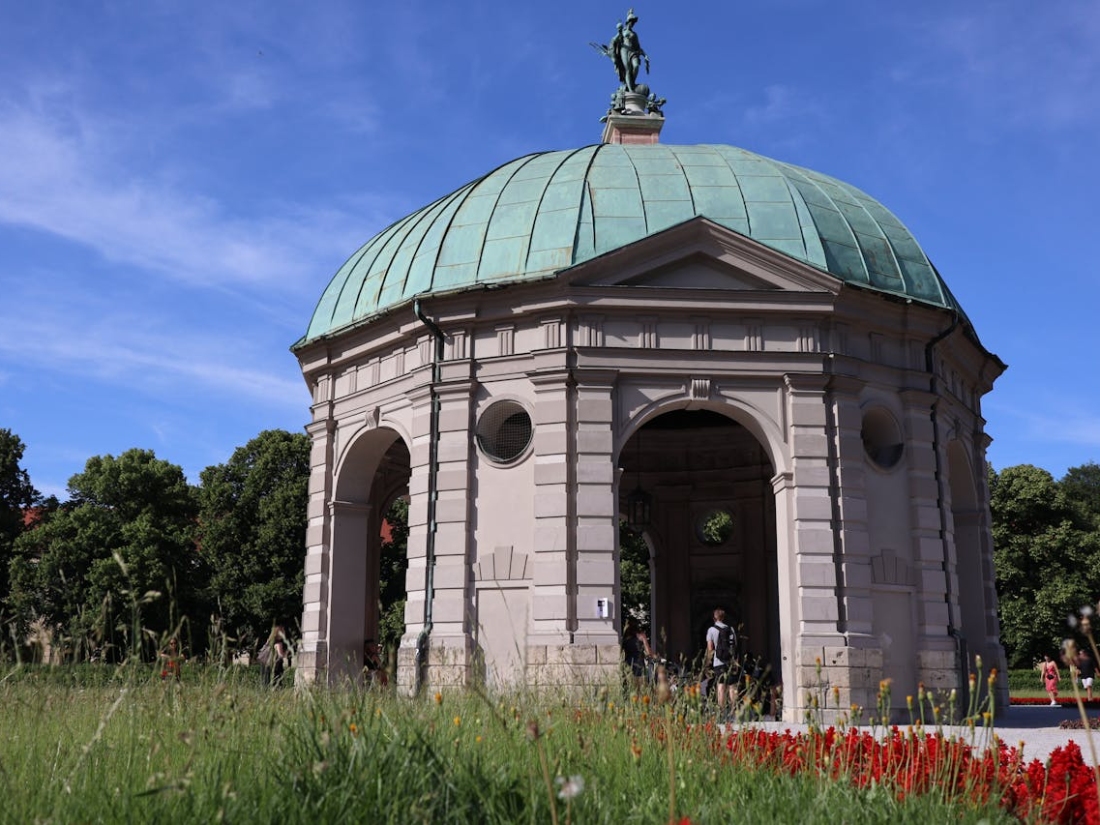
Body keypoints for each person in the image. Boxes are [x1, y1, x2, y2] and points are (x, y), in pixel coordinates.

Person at [706, 608, 737, 715]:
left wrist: (708, 662)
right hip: (730, 662)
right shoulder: (731, 629)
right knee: (732, 686)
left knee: (721, 685)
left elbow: (710, 648)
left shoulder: (711, 630)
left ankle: (722, 711)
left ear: (714, 618)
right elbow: (734, 646)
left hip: (718, 662)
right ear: (723, 617)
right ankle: (733, 710)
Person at [617, 9, 649, 92]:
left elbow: (638, 47)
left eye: (634, 22)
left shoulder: (634, 34)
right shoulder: (622, 32)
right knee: (627, 69)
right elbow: (616, 41)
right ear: (628, 21)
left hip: (633, 52)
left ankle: (631, 82)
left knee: (636, 66)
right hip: (624, 50)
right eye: (632, 22)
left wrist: (645, 55)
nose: (633, 24)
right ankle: (630, 88)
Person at [621, 618, 653, 690]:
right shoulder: (641, 636)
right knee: (641, 693)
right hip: (639, 668)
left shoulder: (624, 638)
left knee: (630, 692)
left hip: (627, 668)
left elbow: (621, 653)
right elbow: (648, 652)